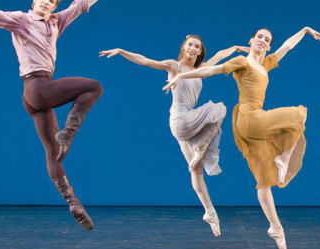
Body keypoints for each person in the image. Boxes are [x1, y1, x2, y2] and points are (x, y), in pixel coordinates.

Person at [0, 0, 134, 229]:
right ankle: (67, 135)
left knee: (53, 153)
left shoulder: (56, 22)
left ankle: (73, 202)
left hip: (33, 98)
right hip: (38, 87)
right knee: (93, 87)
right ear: (34, 1)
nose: (47, 3)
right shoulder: (21, 20)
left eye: (51, 1)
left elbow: (81, 3)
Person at [164, 27, 320, 249]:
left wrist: (304, 31)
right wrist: (181, 75)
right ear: (251, 40)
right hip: (248, 118)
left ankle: (275, 226)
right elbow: (212, 70)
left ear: (269, 46)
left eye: (267, 40)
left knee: (264, 180)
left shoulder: (266, 63)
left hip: (255, 124)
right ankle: (284, 160)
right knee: (298, 114)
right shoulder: (242, 61)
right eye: (260, 37)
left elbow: (286, 46)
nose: (263, 41)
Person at [99, 37, 248, 236]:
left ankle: (210, 212)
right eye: (190, 45)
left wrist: (235, 47)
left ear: (199, 51)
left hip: (190, 123)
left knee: (196, 170)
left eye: (197, 46)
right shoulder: (174, 66)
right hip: (181, 120)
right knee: (218, 108)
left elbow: (220, 55)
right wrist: (121, 50)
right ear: (183, 48)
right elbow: (145, 60)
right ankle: (201, 147)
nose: (193, 48)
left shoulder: (201, 68)